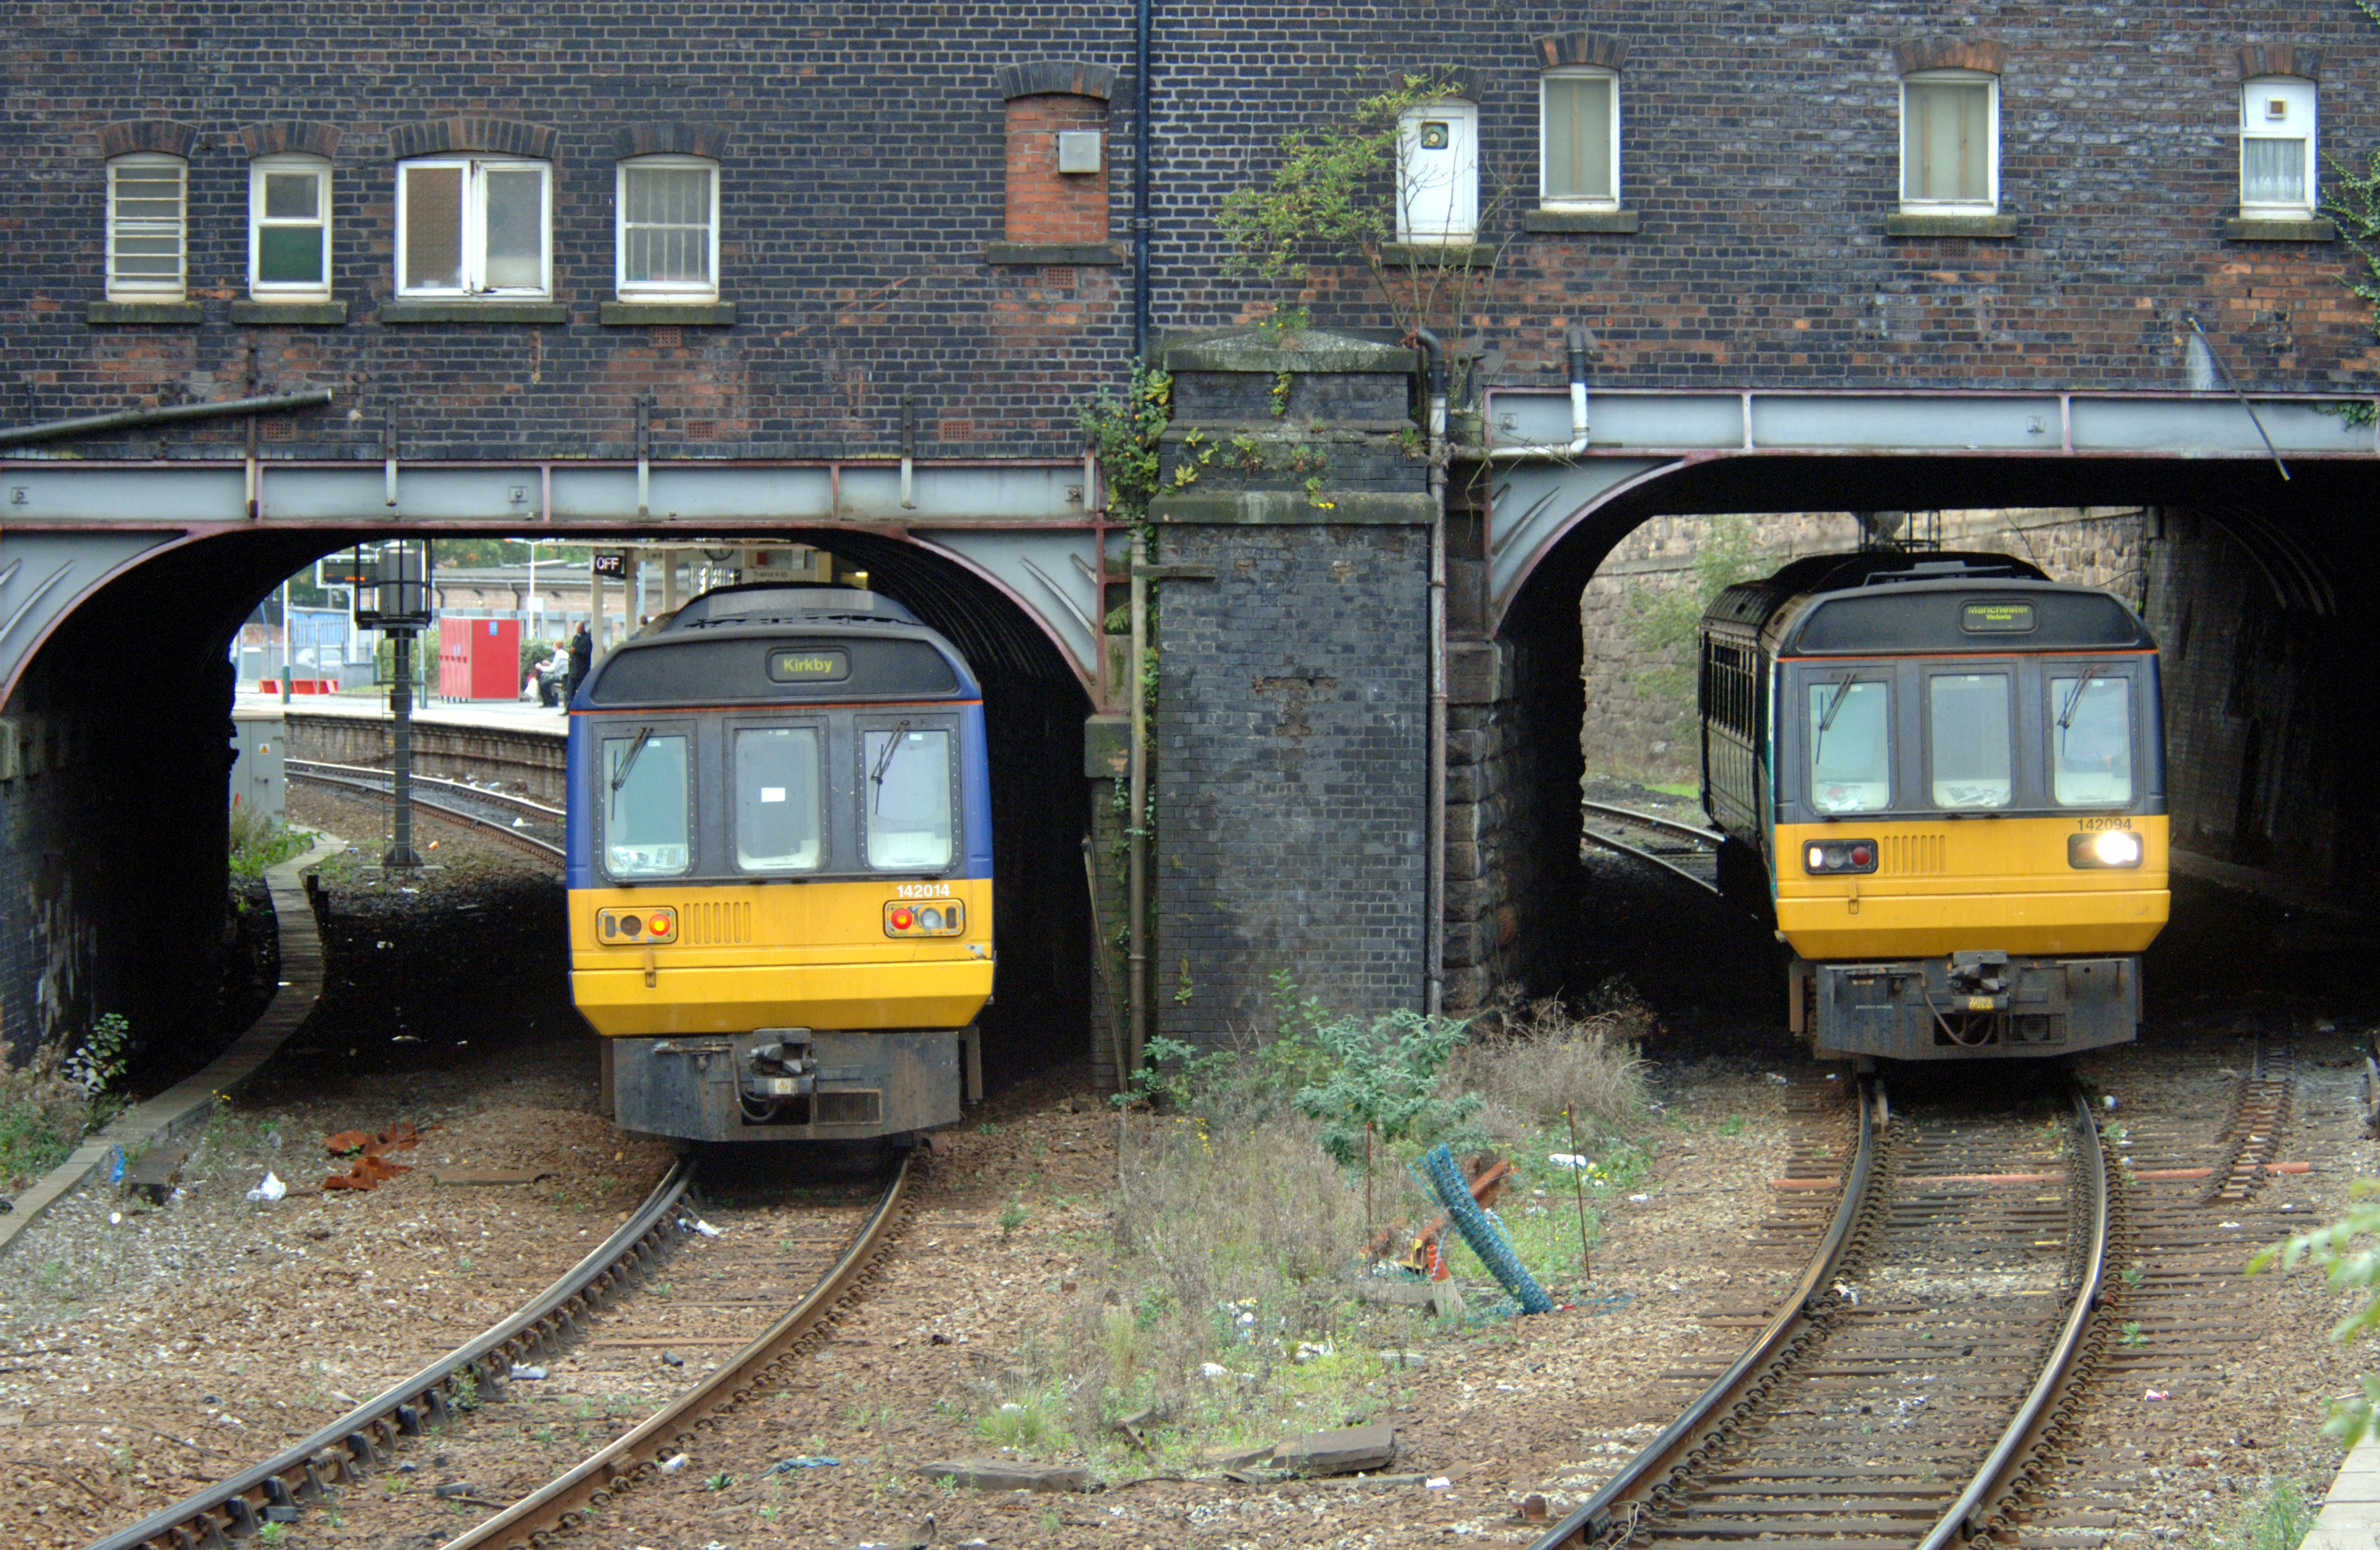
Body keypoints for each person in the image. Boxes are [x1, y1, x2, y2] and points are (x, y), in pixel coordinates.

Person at [564, 622, 593, 709]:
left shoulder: (586, 639)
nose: (577, 630)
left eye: (579, 628)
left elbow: (586, 653)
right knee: (570, 689)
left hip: (581, 669)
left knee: (581, 689)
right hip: (573, 668)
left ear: (582, 628)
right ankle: (568, 707)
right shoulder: (576, 638)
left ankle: (580, 707)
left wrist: (576, 651)